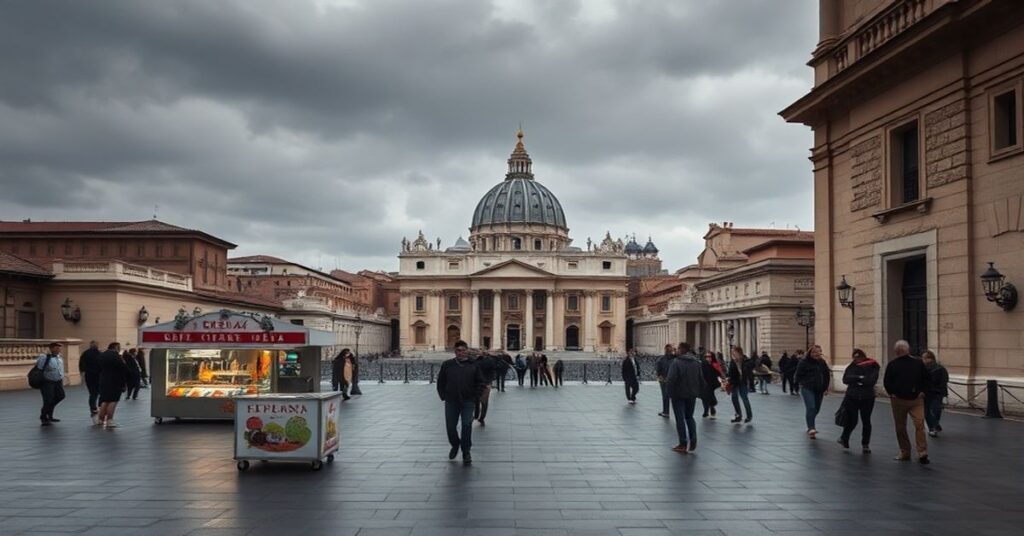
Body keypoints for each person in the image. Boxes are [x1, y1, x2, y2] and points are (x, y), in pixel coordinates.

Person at [437, 341, 486, 464]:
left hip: (468, 401)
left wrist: (476, 397)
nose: (461, 352)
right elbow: (440, 382)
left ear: (467, 351)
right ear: (455, 351)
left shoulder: (474, 365)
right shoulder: (447, 365)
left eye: (463, 350)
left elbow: (481, 382)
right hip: (451, 401)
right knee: (450, 427)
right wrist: (444, 396)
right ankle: (455, 444)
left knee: (466, 425)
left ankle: (466, 451)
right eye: (458, 350)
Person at [883, 340, 931, 464]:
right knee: (919, 425)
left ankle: (906, 451)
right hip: (914, 399)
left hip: (900, 400)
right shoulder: (918, 362)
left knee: (901, 427)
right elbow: (926, 378)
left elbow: (887, 381)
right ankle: (921, 452)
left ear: (896, 352)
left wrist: (891, 393)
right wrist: (922, 392)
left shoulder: (892, 364)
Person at [838, 348, 879, 453]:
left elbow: (870, 381)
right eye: (855, 358)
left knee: (866, 421)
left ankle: (865, 444)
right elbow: (845, 379)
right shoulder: (852, 366)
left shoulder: (873, 365)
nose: (856, 360)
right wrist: (860, 378)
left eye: (858, 358)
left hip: (867, 397)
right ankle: (845, 438)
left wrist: (856, 379)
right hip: (852, 396)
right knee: (852, 419)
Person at [667, 342, 704, 453]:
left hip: (678, 395)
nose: (676, 351)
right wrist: (698, 392)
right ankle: (693, 439)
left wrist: (670, 393)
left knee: (680, 419)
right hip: (691, 394)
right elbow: (701, 379)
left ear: (682, 350)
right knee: (689, 417)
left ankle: (683, 443)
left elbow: (671, 379)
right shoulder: (697, 363)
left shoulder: (676, 362)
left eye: (678, 349)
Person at [794, 344, 830, 439]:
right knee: (811, 407)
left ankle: (810, 422)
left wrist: (826, 387)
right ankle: (811, 428)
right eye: (814, 352)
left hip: (819, 389)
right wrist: (800, 383)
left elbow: (826, 375)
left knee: (816, 409)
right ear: (810, 353)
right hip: (807, 388)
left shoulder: (822, 362)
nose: (817, 354)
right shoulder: (804, 362)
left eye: (819, 352)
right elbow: (797, 375)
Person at [35, 342, 66, 426]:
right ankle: (44, 417)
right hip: (47, 382)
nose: (58, 350)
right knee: (48, 400)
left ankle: (49, 414)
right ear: (51, 348)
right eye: (56, 348)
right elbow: (39, 369)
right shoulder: (44, 357)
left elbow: (60, 369)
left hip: (58, 381)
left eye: (59, 348)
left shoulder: (59, 357)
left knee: (61, 396)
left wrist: (62, 378)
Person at [97, 342, 128, 428]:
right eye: (119, 347)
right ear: (116, 347)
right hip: (115, 381)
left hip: (103, 380)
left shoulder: (101, 355)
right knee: (113, 401)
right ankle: (110, 420)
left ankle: (100, 420)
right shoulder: (116, 356)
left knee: (105, 400)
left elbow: (98, 368)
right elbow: (123, 369)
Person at [921, 350, 948, 438]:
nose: (923, 360)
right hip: (926, 393)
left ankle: (934, 425)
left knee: (936, 409)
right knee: (926, 411)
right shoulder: (922, 368)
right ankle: (933, 427)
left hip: (937, 392)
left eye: (925, 358)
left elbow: (944, 381)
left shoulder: (939, 368)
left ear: (930, 358)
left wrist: (944, 394)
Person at [727, 346, 754, 423]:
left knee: (744, 398)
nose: (733, 354)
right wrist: (728, 378)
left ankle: (749, 416)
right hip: (734, 382)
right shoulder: (732, 361)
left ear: (739, 353)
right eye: (732, 352)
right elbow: (730, 372)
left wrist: (739, 364)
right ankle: (738, 415)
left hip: (743, 382)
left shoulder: (745, 360)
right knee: (734, 398)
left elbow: (749, 368)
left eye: (734, 352)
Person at [79, 340, 102, 418]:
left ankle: (93, 408)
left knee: (93, 393)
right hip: (98, 375)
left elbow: (81, 363)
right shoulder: (99, 353)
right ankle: (100, 407)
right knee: (100, 392)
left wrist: (83, 371)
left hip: (89, 375)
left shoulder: (85, 353)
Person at [700, 352, 724, 419]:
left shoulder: (715, 364)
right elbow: (701, 372)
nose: (708, 358)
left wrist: (722, 379)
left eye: (709, 356)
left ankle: (712, 406)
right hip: (704, 382)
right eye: (706, 356)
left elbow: (719, 373)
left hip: (712, 383)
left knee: (708, 395)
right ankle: (707, 410)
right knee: (704, 397)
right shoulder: (703, 363)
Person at [474, 352, 496, 425]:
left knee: (476, 400)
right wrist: (489, 382)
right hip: (486, 384)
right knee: (484, 402)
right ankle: (482, 418)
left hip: (477, 384)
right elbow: (493, 373)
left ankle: (476, 415)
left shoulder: (475, 362)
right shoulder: (491, 361)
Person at [655, 344, 675, 418]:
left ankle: (666, 412)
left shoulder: (661, 359)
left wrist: (660, 377)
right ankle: (673, 411)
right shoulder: (676, 359)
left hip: (664, 380)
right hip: (672, 380)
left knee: (665, 396)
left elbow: (658, 370)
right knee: (673, 396)